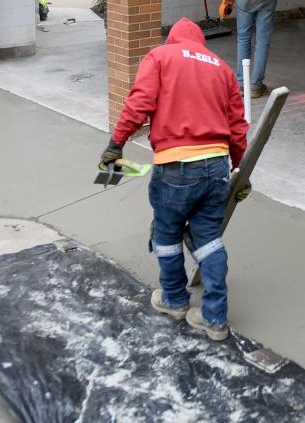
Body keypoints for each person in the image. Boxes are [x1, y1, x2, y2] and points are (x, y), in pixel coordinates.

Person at [98, 18, 249, 341]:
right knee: (208, 237)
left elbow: (139, 104)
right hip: (216, 167)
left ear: (174, 40)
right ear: (200, 43)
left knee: (166, 232)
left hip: (176, 166)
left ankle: (174, 299)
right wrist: (239, 169)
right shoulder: (222, 68)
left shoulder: (160, 57)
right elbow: (238, 126)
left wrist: (116, 144)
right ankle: (215, 319)